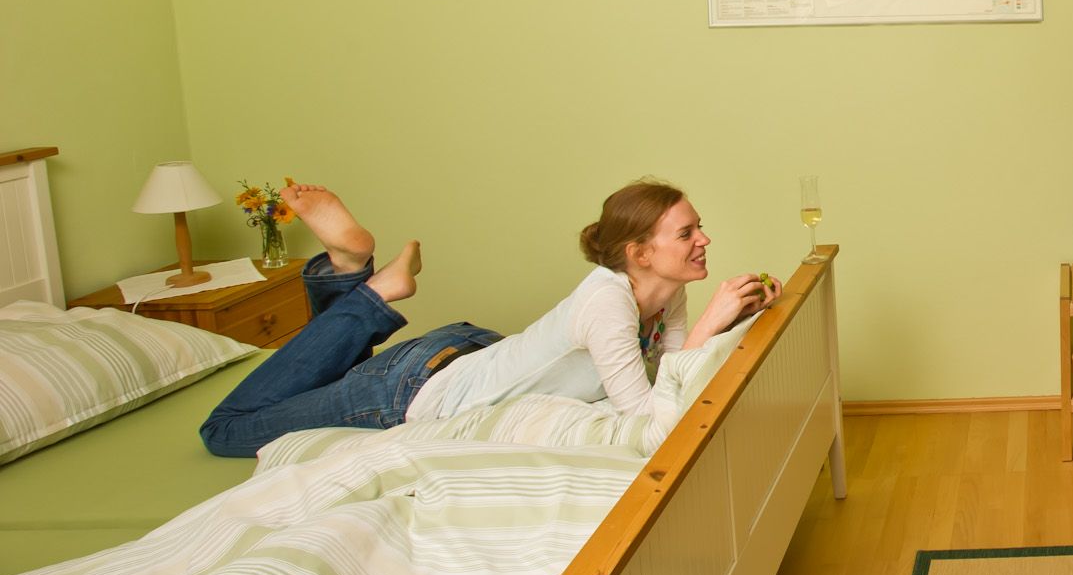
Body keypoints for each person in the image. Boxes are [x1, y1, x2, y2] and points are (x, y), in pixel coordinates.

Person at [200, 179, 775, 458]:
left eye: (697, 226)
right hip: (410, 392)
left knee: (324, 382)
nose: (704, 239)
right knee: (225, 430)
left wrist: (726, 322)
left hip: (466, 355)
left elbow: (666, 376)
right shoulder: (607, 302)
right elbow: (649, 416)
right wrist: (710, 328)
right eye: (687, 232)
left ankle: (350, 270)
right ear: (639, 253)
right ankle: (365, 285)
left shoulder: (664, 289)